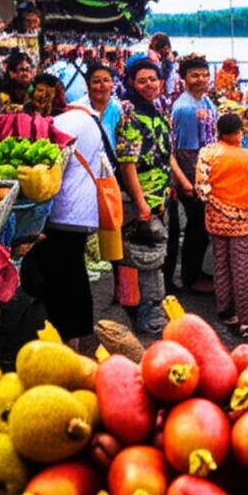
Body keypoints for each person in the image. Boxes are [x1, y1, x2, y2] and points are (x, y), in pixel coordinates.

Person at [24, 102, 110, 343]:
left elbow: (56, 161)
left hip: (65, 211)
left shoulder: (68, 122)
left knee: (64, 275)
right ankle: (76, 333)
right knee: (72, 272)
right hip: (76, 210)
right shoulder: (85, 119)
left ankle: (70, 335)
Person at [114, 56, 173, 334]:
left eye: (153, 79)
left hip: (159, 197)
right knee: (143, 258)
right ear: (131, 84)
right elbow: (127, 165)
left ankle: (146, 309)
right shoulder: (130, 117)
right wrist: (140, 203)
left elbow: (164, 154)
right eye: (142, 80)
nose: (149, 84)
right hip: (141, 200)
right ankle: (145, 314)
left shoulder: (157, 111)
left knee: (151, 255)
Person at [196, 113, 248, 338]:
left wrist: (219, 206)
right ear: (238, 133)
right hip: (242, 222)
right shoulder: (247, 157)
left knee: (221, 265)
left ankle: (225, 311)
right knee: (242, 270)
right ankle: (247, 323)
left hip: (215, 220)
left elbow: (202, 188)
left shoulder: (207, 153)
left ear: (218, 132)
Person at [168, 54, 217, 294]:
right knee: (197, 227)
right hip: (193, 176)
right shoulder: (186, 108)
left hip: (205, 172)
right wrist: (193, 184)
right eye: (194, 75)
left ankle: (195, 273)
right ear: (184, 78)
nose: (200, 79)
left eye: (204, 74)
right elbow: (186, 153)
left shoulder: (206, 102)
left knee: (201, 226)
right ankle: (191, 278)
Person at [72, 63, 122, 147]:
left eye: (106, 80)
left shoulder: (119, 109)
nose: (102, 85)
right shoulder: (77, 109)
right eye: (96, 82)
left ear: (112, 84)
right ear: (88, 86)